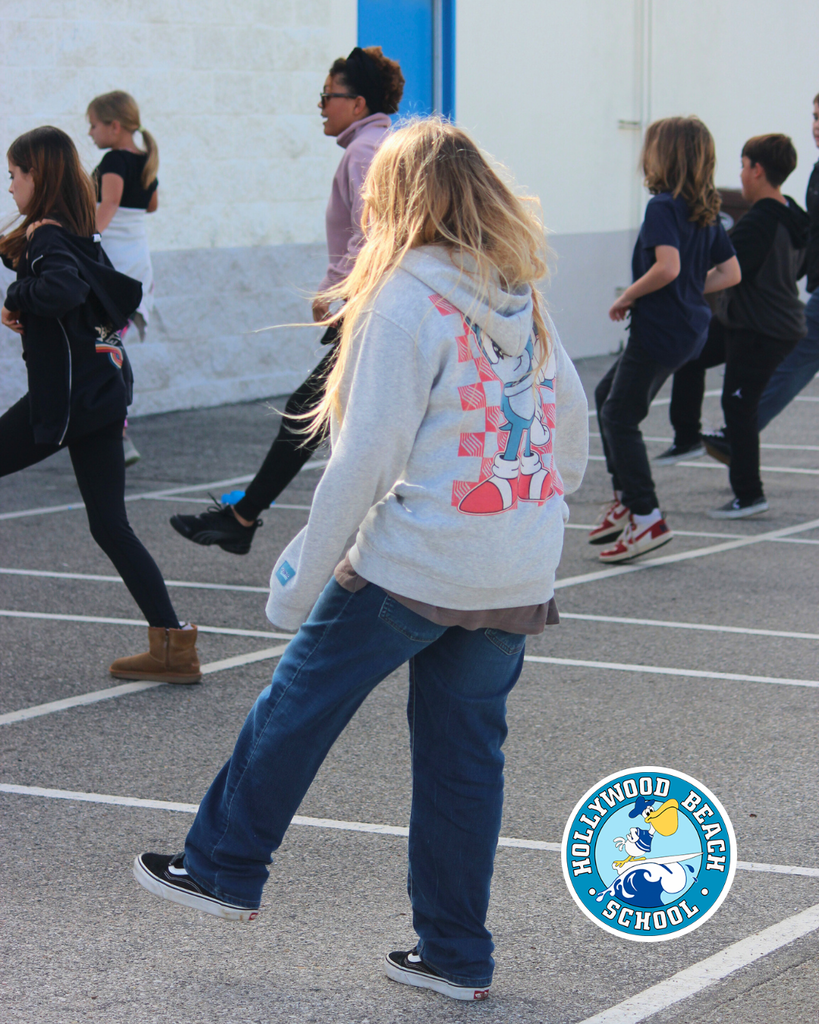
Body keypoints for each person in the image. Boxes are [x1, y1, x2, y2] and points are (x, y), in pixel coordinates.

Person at [132, 118, 589, 1002]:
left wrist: (302, 577)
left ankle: (224, 866)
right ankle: (455, 957)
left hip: (418, 562)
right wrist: (542, 501)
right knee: (465, 763)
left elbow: (365, 456)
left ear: (394, 201)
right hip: (515, 565)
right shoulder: (518, 292)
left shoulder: (402, 299)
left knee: (295, 706)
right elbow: (567, 422)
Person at [169, 46, 404, 554]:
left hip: (370, 308)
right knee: (324, 418)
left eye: (328, 96)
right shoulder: (379, 145)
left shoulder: (365, 151)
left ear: (358, 103)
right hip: (378, 307)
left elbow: (376, 233)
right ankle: (245, 517)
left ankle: (248, 519)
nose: (320, 105)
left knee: (313, 415)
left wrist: (339, 293)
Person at [0, 126, 200, 684]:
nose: (9, 186)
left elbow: (59, 291)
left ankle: (172, 646)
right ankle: (173, 646)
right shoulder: (78, 233)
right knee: (110, 526)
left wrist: (15, 297)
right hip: (103, 395)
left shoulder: (46, 237)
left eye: (14, 175)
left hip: (68, 401)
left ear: (38, 176)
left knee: (110, 524)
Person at [589, 116, 739, 562]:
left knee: (619, 416)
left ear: (663, 155)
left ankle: (646, 515)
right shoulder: (704, 209)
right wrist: (690, 289)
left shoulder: (663, 207)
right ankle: (626, 497)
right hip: (688, 329)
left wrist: (627, 296)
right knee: (606, 395)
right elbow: (730, 273)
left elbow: (668, 267)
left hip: (660, 329)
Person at [664, 134, 809, 519]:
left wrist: (682, 288)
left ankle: (749, 495)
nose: (741, 175)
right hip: (746, 322)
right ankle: (687, 438)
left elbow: (727, 271)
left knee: (738, 404)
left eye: (744, 166)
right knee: (691, 354)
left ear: (758, 170)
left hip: (765, 329)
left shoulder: (760, 221)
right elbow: (801, 266)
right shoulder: (794, 213)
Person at [87, 90, 160, 467]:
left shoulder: (113, 159)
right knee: (110, 343)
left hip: (114, 264)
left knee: (105, 346)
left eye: (94, 125)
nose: (90, 133)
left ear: (114, 127)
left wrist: (86, 241)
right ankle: (111, 427)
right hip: (138, 265)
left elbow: (109, 204)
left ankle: (118, 430)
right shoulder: (145, 157)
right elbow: (151, 205)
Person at [756, 93, 819, 430]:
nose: (816, 126)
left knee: (794, 359)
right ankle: (740, 432)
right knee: (795, 361)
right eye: (815, 116)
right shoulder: (816, 173)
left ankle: (740, 432)